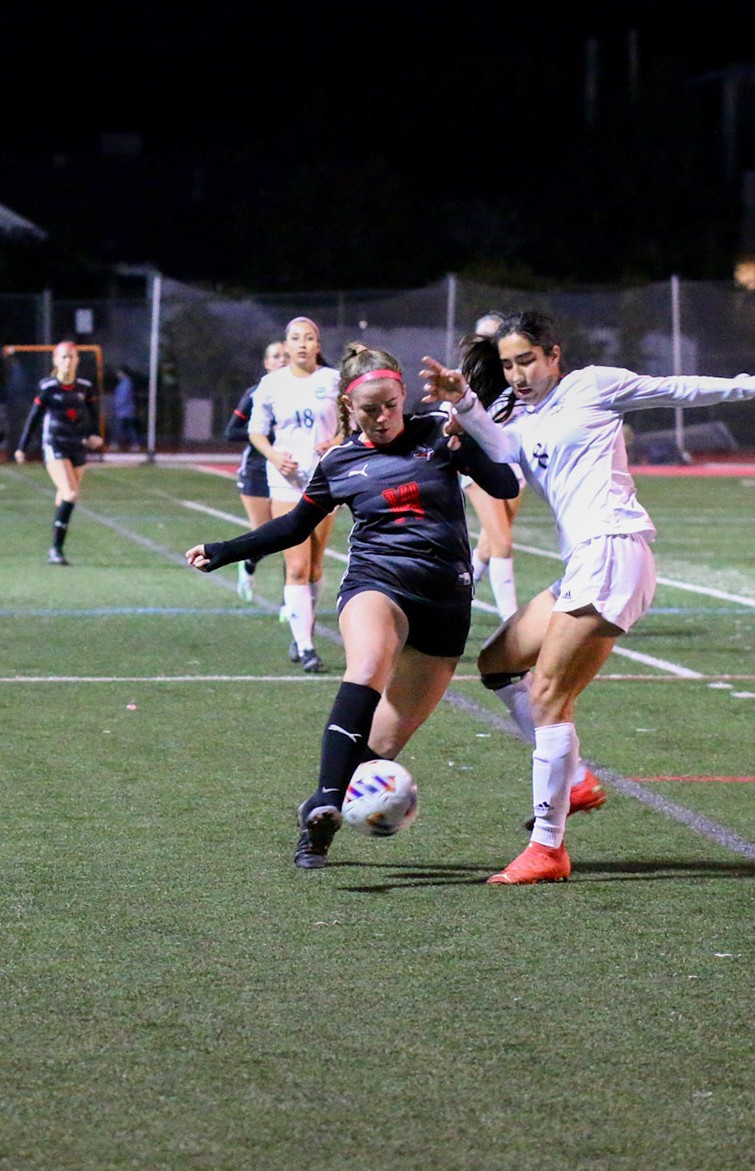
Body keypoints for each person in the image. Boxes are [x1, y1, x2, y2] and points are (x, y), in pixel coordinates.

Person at [422, 310, 755, 884]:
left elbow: (673, 390)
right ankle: (573, 779)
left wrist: (753, 384)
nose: (518, 374)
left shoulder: (591, 386)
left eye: (527, 360)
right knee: (498, 663)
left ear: (553, 355)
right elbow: (499, 452)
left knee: (548, 694)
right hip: (586, 560)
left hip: (614, 549)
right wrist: (465, 403)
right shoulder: (517, 414)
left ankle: (547, 848)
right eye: (508, 365)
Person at [190, 343, 520, 867]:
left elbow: (502, 484)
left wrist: (470, 439)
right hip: (377, 582)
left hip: (446, 602)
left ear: (403, 396)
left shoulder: (439, 432)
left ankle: (317, 805)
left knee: (382, 746)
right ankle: (323, 812)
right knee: (368, 665)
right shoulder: (340, 461)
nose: (383, 417)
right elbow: (295, 525)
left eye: (390, 405)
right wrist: (225, 550)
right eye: (369, 409)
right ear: (348, 407)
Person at [247, 317, 341, 672]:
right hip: (286, 481)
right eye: (296, 338)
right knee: (297, 565)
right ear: (286, 346)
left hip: (325, 480)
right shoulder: (271, 384)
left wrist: (335, 442)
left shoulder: (333, 380)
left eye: (309, 337)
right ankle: (306, 647)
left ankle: (303, 629)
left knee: (314, 567)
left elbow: (350, 424)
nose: (302, 343)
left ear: (318, 345)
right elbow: (256, 432)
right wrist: (274, 456)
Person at [13, 341, 104, 565]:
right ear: (55, 360)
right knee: (71, 494)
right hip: (55, 445)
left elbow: (93, 416)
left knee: (64, 497)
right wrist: (22, 447)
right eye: (63, 357)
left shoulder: (85, 387)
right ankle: (56, 550)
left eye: (72, 356)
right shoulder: (48, 388)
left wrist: (95, 435)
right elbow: (33, 418)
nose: (68, 361)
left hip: (77, 446)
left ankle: (55, 546)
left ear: (77, 360)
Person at [460, 313, 524, 619]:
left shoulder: (516, 376)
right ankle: (511, 622)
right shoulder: (465, 378)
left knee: (488, 546)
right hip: (479, 467)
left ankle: (457, 597)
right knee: (502, 543)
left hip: (514, 468)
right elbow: (452, 417)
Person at [224, 340, 288, 601]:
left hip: (291, 471)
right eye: (276, 356)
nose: (282, 360)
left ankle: (291, 601)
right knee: (265, 537)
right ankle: (248, 563)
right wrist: (267, 434)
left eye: (286, 355)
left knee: (292, 535)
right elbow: (231, 431)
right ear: (267, 363)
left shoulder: (306, 391)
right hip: (258, 470)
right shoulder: (255, 393)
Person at [109, 366, 139, 451]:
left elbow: (122, 397)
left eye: (119, 372)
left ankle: (115, 443)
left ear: (123, 373)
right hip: (126, 410)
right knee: (128, 427)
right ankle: (134, 444)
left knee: (118, 427)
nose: (117, 374)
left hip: (123, 410)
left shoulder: (125, 384)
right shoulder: (125, 383)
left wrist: (115, 407)